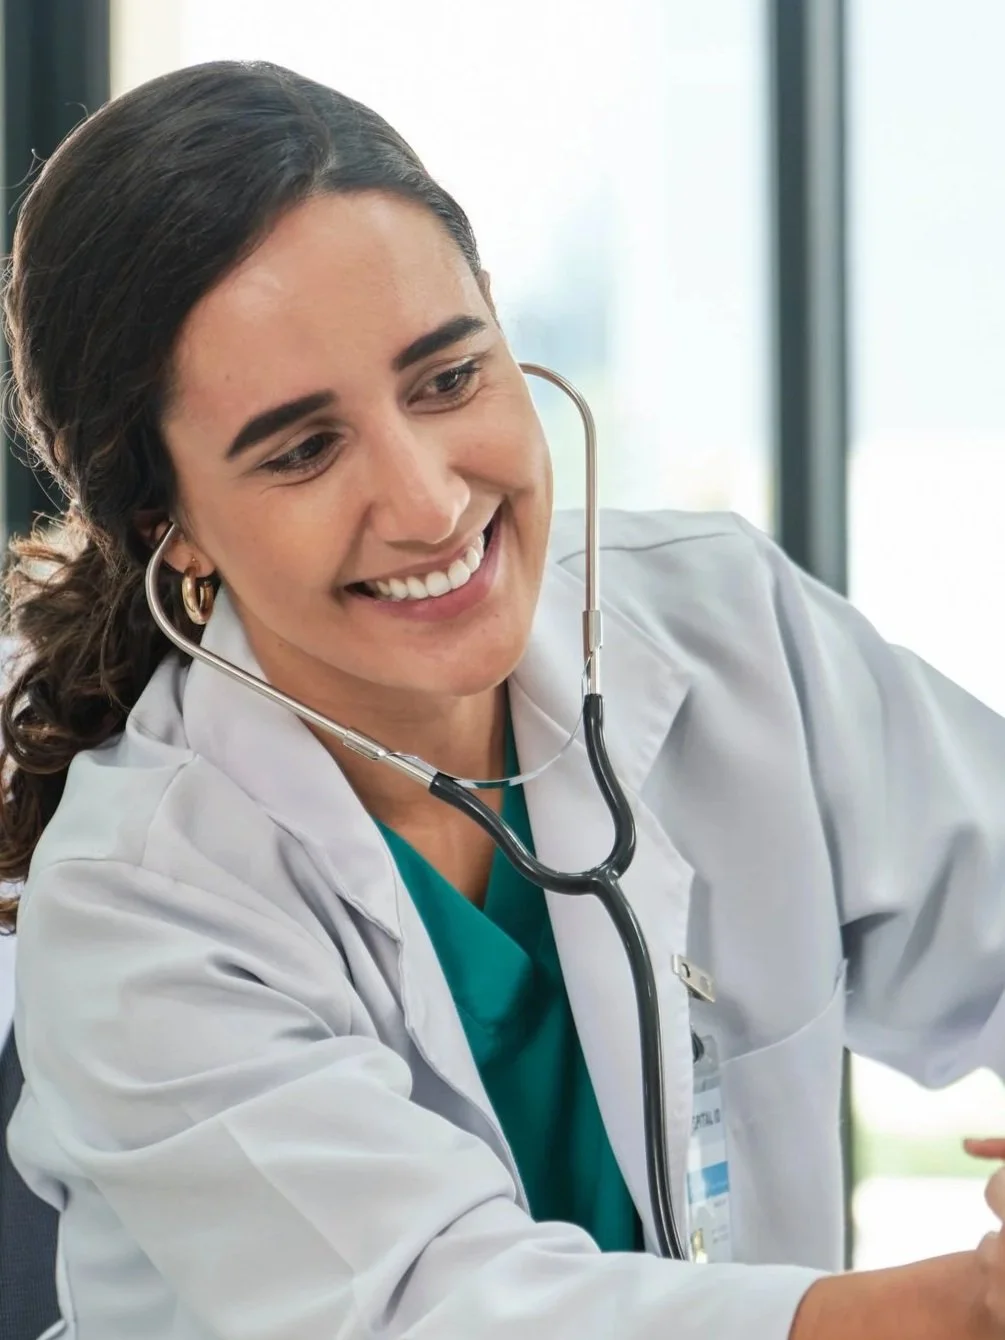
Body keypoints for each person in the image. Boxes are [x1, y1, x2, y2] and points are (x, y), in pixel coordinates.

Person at [0, 59, 1004, 1340]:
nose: (427, 502)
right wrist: (969, 1307)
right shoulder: (138, 906)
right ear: (171, 526)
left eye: (447, 378)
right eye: (305, 448)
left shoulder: (726, 633)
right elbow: (441, 1308)